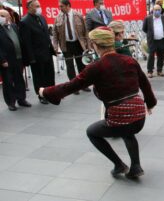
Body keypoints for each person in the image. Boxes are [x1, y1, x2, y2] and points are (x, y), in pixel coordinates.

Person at [38, 27, 157, 179]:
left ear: (95, 44)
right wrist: (150, 103)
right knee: (127, 131)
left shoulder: (96, 67)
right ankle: (136, 166)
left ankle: (119, 165)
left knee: (92, 132)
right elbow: (145, 83)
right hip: (140, 116)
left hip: (120, 116)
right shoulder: (130, 60)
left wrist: (45, 92)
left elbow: (70, 86)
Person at [20, 0, 55, 104]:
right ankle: (41, 95)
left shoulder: (41, 17)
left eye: (39, 5)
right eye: (37, 6)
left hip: (47, 52)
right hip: (36, 55)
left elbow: (46, 34)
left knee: (49, 74)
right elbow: (26, 42)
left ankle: (51, 93)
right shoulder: (25, 22)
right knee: (39, 77)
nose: (39, 8)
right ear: (30, 7)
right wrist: (31, 58)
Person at [53, 0, 91, 94]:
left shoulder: (78, 15)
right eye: (59, 6)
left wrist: (88, 45)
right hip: (66, 45)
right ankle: (74, 87)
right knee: (69, 66)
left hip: (78, 44)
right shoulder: (58, 18)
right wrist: (55, 46)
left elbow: (86, 31)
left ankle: (83, 85)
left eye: (61, 6)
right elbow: (55, 34)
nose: (60, 8)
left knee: (81, 65)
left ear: (68, 5)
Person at [0, 10, 31, 111]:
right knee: (8, 81)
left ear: (8, 17)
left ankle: (21, 99)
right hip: (6, 60)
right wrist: (2, 60)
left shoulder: (13, 26)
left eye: (2, 16)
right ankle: (10, 102)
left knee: (19, 79)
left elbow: (19, 41)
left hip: (18, 58)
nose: (1, 17)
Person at [142, 4, 164, 78]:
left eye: (159, 10)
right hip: (152, 41)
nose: (157, 11)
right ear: (152, 10)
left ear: (161, 11)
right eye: (155, 10)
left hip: (162, 40)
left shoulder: (163, 17)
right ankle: (150, 71)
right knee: (151, 55)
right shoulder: (148, 18)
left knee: (161, 55)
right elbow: (144, 29)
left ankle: (159, 70)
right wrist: (150, 34)